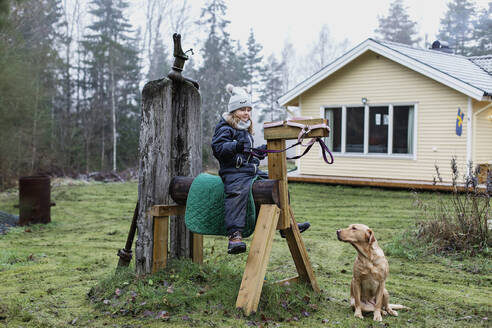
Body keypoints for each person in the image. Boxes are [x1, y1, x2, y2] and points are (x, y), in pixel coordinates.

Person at [212, 84, 309, 255]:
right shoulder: (225, 128)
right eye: (242, 109)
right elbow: (218, 148)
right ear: (233, 111)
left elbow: (247, 152)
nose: (247, 113)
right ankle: (234, 236)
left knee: (279, 185)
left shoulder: (245, 129)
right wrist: (235, 146)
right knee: (237, 193)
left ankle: (286, 225)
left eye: (249, 109)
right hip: (234, 173)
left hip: (249, 170)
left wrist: (263, 150)